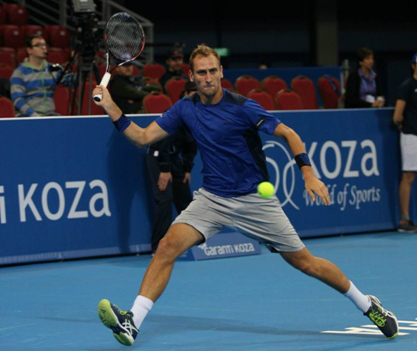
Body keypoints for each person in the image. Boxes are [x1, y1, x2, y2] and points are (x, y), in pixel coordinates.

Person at [93, 44, 399, 346]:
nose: (209, 77)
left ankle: (368, 305)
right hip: (212, 199)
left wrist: (307, 172)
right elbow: (143, 137)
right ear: (192, 76)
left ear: (221, 72)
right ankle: (133, 321)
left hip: (254, 201)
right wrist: (110, 106)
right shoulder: (185, 109)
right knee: (167, 246)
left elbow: (288, 133)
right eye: (202, 72)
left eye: (214, 70)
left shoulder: (242, 107)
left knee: (306, 263)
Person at [146, 81, 198, 253]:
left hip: (174, 158)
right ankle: (157, 248)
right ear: (184, 94)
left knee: (185, 201)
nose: (192, 95)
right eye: (189, 92)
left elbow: (193, 145)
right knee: (165, 200)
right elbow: (163, 142)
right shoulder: (176, 113)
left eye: (196, 92)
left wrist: (188, 169)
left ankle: (192, 245)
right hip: (158, 156)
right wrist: (165, 169)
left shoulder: (201, 114)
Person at [10, 35, 75, 117]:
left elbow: (72, 82)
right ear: (29, 50)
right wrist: (34, 115)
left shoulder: (52, 69)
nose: (43, 47)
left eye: (45, 45)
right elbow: (17, 99)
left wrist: (81, 69)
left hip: (49, 115)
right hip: (26, 116)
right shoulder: (19, 72)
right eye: (38, 45)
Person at [393, 52, 417, 233]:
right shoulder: (407, 87)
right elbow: (397, 116)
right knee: (408, 177)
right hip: (410, 136)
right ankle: (404, 220)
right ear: (413, 65)